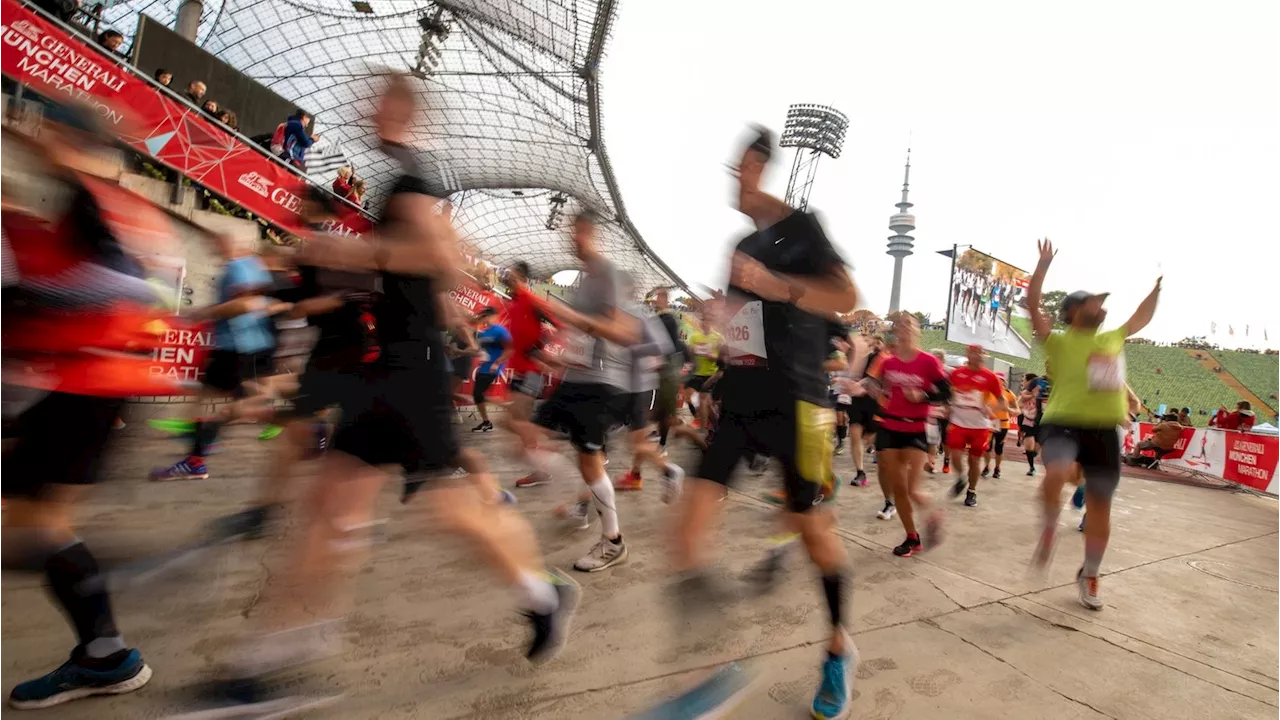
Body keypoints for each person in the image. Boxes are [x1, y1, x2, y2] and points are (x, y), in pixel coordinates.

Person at [179, 75, 579, 716]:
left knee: (438, 512)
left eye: (385, 102)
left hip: (408, 373)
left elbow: (432, 257)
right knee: (333, 510)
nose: (372, 111)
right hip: (386, 371)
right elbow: (439, 272)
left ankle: (541, 594)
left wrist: (358, 250)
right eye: (372, 101)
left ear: (406, 114)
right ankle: (270, 666)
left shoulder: (415, 181)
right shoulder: (404, 185)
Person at [667, 127, 860, 720]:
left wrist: (776, 286)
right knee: (687, 532)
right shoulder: (741, 243)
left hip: (797, 404)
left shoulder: (802, 228)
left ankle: (839, 647)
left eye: (738, 166)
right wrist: (722, 321)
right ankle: (708, 675)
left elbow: (846, 296)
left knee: (814, 534)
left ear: (757, 164)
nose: (733, 176)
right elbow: (746, 327)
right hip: (741, 399)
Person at [0, 103, 178, 710]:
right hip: (84, 386)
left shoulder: (94, 203)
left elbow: (115, 290)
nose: (35, 137)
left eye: (47, 128)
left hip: (84, 386)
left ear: (72, 139)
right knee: (31, 522)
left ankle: (109, 638)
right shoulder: (99, 205)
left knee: (36, 524)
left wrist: (25, 288)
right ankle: (106, 641)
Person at [1027, 237, 1162, 611]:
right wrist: (1042, 267)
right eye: (1093, 301)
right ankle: (1050, 525)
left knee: (1100, 506)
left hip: (1104, 431)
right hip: (1063, 423)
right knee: (1057, 471)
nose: (1101, 306)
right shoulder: (1056, 340)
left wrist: (1157, 289)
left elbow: (1141, 318)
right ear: (1072, 312)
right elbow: (1032, 304)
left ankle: (1090, 572)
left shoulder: (1113, 337)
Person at [532, 210, 646, 570]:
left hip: (601, 383)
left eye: (578, 231)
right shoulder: (584, 280)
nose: (572, 237)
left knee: (590, 461)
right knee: (526, 434)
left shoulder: (608, 275)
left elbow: (624, 332)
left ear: (592, 233)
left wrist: (574, 319)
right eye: (571, 231)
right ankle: (579, 500)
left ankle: (612, 540)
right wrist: (559, 355)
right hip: (575, 378)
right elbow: (581, 336)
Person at [150, 234, 278, 481]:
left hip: (233, 347)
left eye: (218, 241)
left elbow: (243, 305)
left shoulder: (238, 267)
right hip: (250, 347)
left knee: (214, 403)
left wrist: (203, 313)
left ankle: (197, 458)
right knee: (233, 402)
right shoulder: (256, 269)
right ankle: (200, 447)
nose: (215, 246)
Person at [872, 315, 950, 556]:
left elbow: (946, 394)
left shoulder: (927, 362)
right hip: (889, 427)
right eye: (901, 324)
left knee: (913, 489)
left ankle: (933, 518)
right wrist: (871, 394)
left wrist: (923, 397)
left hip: (915, 429)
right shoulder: (888, 363)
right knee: (899, 489)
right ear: (895, 331)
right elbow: (880, 391)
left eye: (911, 324)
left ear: (919, 332)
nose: (904, 328)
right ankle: (912, 537)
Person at [946, 344, 1006, 507]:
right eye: (973, 352)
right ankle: (961, 477)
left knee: (974, 460)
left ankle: (971, 491)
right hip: (958, 422)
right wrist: (948, 406)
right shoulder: (957, 374)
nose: (977, 356)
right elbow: (949, 393)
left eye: (980, 353)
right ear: (968, 354)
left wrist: (991, 409)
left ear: (984, 356)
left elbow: (1002, 401)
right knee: (955, 455)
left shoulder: (990, 377)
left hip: (980, 425)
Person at [470, 306, 510, 433]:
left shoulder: (500, 331)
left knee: (478, 394)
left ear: (493, 316)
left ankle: (504, 409)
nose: (485, 319)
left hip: (493, 368)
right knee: (478, 396)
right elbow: (475, 345)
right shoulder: (484, 332)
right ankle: (487, 421)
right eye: (483, 316)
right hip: (483, 368)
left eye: (486, 316)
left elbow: (510, 349)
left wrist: (497, 362)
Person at [684, 311, 723, 428]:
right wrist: (691, 351)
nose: (704, 324)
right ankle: (710, 423)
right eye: (703, 321)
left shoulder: (718, 337)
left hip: (710, 374)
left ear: (711, 323)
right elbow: (689, 353)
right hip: (696, 372)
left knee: (703, 400)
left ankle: (704, 429)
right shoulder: (695, 336)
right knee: (688, 396)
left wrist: (713, 356)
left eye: (707, 322)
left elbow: (724, 357)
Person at [981, 374, 1020, 479]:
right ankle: (986, 466)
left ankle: (997, 468)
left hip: (1003, 423)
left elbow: (1017, 411)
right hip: (989, 423)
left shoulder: (1009, 394)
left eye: (1000, 380)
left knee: (999, 448)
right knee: (986, 447)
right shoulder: (987, 392)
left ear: (1004, 381)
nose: (998, 381)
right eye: (996, 379)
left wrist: (1008, 410)